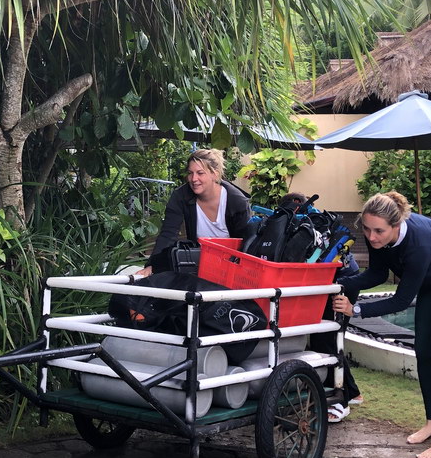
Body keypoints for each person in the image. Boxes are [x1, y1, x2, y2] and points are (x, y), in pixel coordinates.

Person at [331, 191, 431, 458]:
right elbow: (377, 273)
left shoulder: (418, 243)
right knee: (423, 352)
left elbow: (401, 300)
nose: (371, 237)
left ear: (396, 225)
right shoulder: (376, 233)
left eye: (378, 231)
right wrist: (337, 282)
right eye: (366, 229)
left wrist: (355, 309)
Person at [277, 192, 364, 423]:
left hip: (340, 284)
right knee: (328, 339)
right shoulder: (312, 223)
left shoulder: (309, 226)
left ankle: (341, 401)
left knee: (327, 339)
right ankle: (352, 392)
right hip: (333, 282)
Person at [137, 148, 250, 278]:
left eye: (200, 173)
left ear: (215, 174)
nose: (194, 179)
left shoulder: (236, 201)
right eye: (190, 173)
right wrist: (152, 265)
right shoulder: (181, 196)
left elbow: (246, 243)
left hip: (231, 265)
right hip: (198, 262)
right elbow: (168, 234)